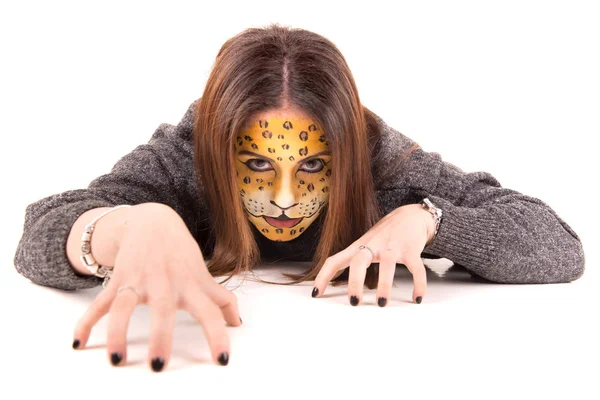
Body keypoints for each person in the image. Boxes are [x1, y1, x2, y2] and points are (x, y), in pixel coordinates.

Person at [13, 23, 585, 373]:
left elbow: (559, 246)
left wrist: (429, 219)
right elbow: (39, 231)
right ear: (216, 151)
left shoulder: (385, 163)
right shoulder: (182, 158)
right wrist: (134, 225)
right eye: (258, 164)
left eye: (312, 165)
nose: (284, 198)